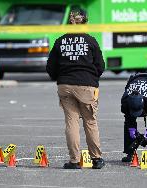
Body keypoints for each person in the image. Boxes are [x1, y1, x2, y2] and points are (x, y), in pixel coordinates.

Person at [46, 8, 105, 169]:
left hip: (65, 85)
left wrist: (60, 77)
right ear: (85, 22)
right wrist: (92, 77)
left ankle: (74, 161)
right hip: (86, 85)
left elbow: (50, 67)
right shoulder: (91, 41)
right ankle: (96, 159)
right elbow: (100, 66)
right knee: (90, 122)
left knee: (71, 123)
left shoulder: (60, 41)